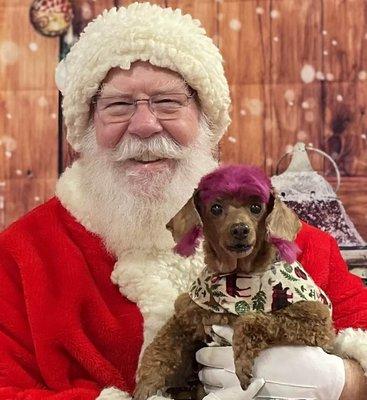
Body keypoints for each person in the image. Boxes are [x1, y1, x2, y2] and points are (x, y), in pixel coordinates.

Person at [0, 3, 366, 400]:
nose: (143, 126)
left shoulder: (296, 247)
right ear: (86, 125)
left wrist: (341, 381)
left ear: (206, 120)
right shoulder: (23, 255)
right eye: (118, 105)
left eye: (168, 102)